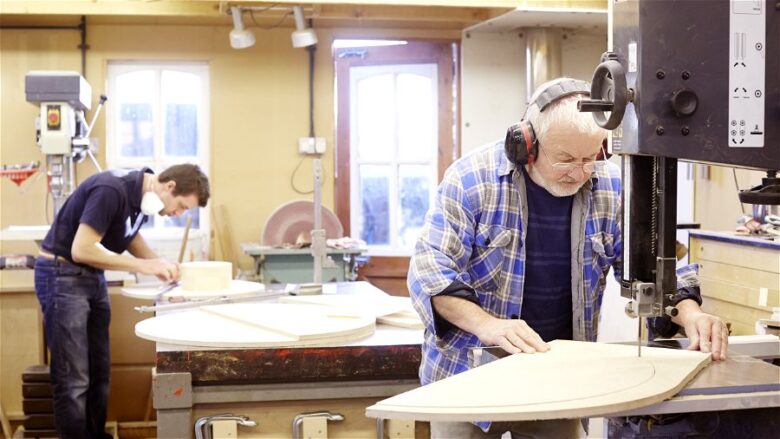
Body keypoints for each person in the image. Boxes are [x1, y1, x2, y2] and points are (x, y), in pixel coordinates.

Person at [407, 78, 729, 438]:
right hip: (467, 376)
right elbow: (429, 272)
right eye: (565, 159)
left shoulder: (610, 187)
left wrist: (691, 313)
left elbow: (651, 265)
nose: (580, 172)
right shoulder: (471, 180)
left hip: (560, 376)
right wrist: (488, 326)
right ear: (526, 145)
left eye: (590, 158)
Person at [34, 164, 210, 439]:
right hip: (62, 276)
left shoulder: (139, 197)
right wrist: (144, 266)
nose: (178, 214)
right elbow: (81, 249)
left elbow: (128, 235)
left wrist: (158, 263)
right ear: (170, 186)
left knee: (99, 373)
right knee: (73, 378)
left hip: (91, 277)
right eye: (181, 207)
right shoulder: (111, 190)